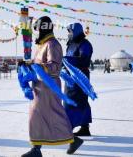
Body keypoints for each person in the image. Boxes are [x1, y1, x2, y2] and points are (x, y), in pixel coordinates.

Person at [21, 16, 83, 157]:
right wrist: (27, 63)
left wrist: (37, 66)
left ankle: (37, 149)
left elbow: (54, 66)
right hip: (39, 86)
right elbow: (38, 63)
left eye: (38, 29)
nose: (37, 32)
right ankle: (71, 141)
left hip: (49, 86)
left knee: (51, 115)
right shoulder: (43, 45)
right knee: (42, 116)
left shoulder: (53, 44)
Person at [64, 23, 93, 137]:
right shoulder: (71, 44)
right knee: (70, 101)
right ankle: (81, 127)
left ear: (75, 31)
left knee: (78, 101)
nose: (69, 34)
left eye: (70, 32)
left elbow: (83, 59)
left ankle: (70, 127)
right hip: (70, 77)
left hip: (80, 77)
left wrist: (66, 60)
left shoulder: (85, 44)